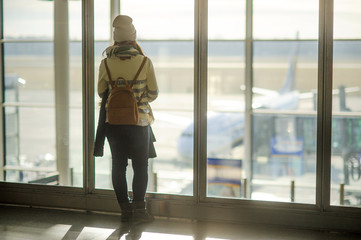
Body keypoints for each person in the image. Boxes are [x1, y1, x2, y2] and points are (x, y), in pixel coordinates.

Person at [95, 15, 158, 222]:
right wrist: (139, 99)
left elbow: (101, 91)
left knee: (118, 166)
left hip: (113, 123)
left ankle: (125, 210)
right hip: (139, 122)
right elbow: (154, 93)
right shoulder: (144, 62)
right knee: (140, 167)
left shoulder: (106, 63)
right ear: (133, 37)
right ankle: (140, 211)